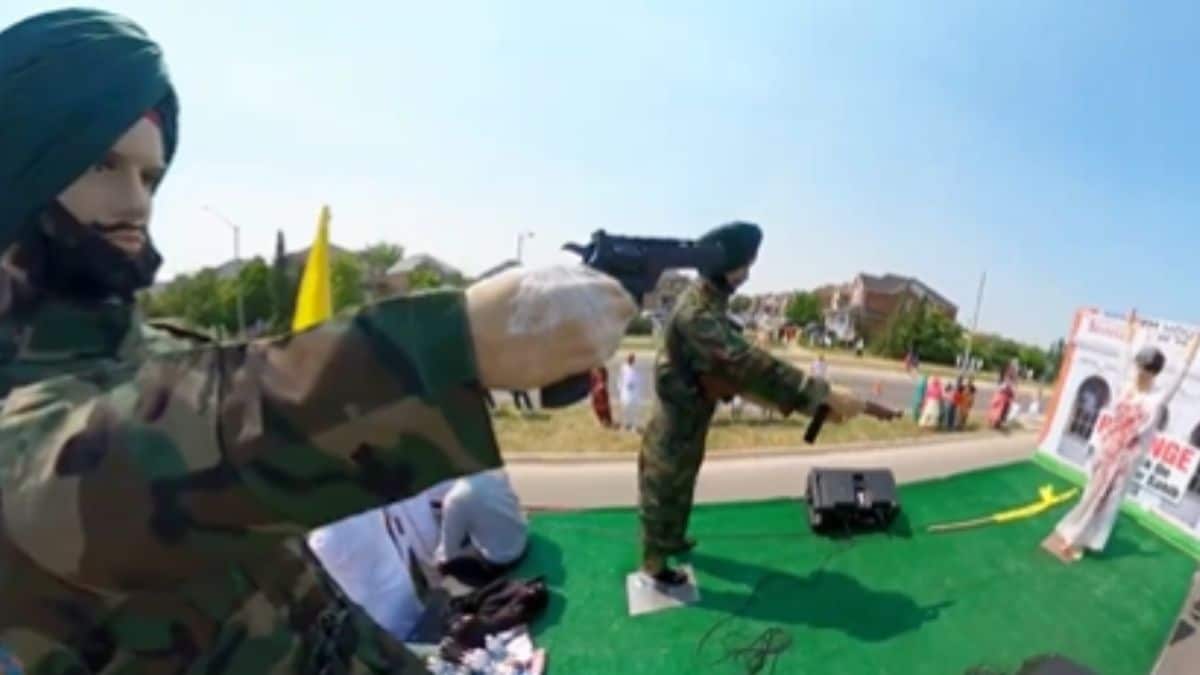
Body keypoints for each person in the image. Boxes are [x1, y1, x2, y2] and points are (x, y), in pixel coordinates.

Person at [0, 9, 637, 673]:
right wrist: (455, 344)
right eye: (103, 165)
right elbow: (141, 457)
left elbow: (305, 607)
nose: (136, 204)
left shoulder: (153, 348)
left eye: (149, 177)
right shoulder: (29, 418)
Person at [637, 221, 865, 586]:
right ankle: (655, 563)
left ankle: (673, 538)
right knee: (663, 486)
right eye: (743, 266)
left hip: (693, 415)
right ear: (723, 264)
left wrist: (811, 404)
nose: (746, 275)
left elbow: (738, 371)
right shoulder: (696, 314)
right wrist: (820, 394)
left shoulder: (711, 302)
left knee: (682, 481)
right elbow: (748, 364)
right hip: (674, 421)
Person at [1042, 312, 1200, 563]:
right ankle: (1073, 536)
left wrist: (1195, 342)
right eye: (1141, 366)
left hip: (1126, 460)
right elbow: (1123, 356)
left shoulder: (1156, 398)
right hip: (1107, 452)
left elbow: (1179, 373)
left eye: (1147, 369)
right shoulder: (1125, 385)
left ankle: (1081, 539)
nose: (1142, 372)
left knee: (1107, 502)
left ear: (1154, 373)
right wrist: (1128, 330)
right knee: (1092, 495)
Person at [433, 469, 529, 587]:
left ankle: (480, 587)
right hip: (522, 540)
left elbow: (448, 551)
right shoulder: (497, 472)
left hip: (500, 560)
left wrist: (438, 560)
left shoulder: (455, 498)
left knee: (444, 565)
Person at [619, 352, 643, 430]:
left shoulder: (636, 368)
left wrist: (637, 387)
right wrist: (621, 389)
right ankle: (626, 424)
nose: (630, 360)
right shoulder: (623, 368)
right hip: (625, 391)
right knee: (625, 407)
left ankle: (634, 425)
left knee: (634, 409)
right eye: (629, 358)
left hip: (634, 392)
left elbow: (639, 379)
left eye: (632, 359)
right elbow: (620, 379)